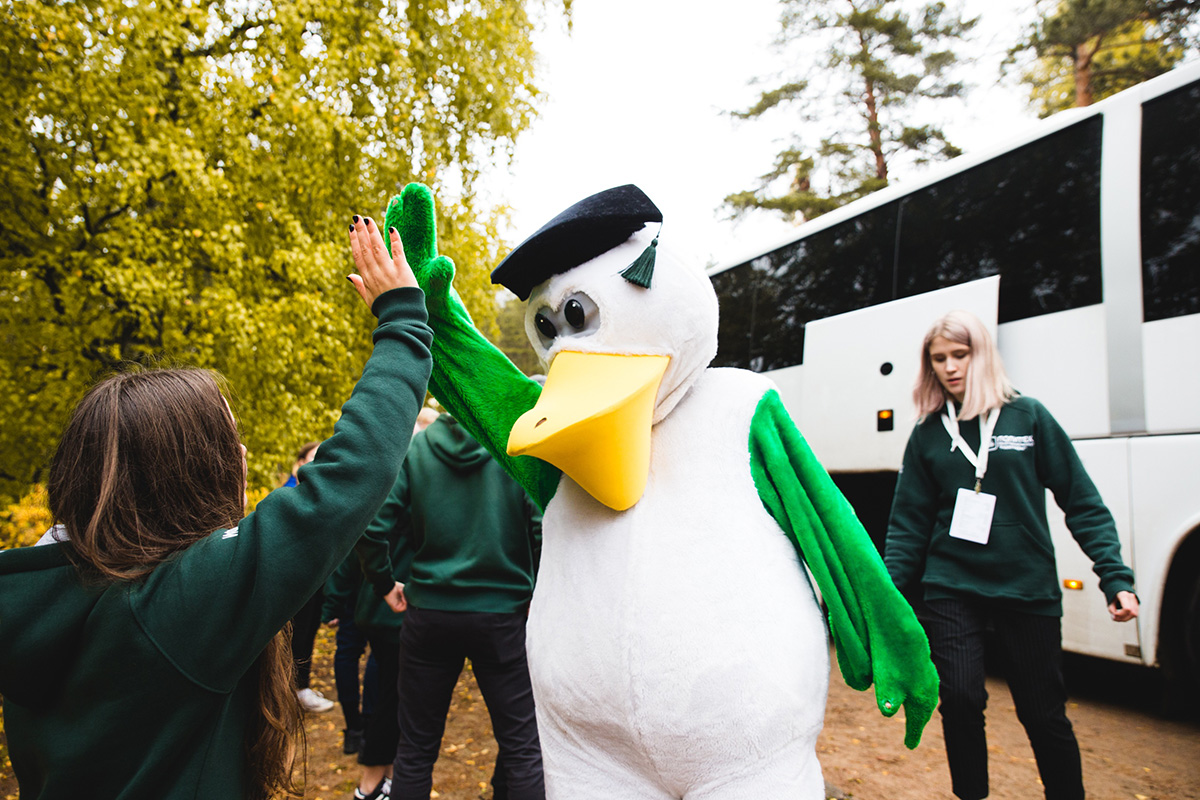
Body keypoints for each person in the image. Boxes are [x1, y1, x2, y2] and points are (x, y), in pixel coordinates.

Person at [0, 215, 431, 798]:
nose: (244, 453)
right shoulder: (174, 606)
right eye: (228, 445)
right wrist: (404, 319)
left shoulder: (37, 593)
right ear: (182, 475)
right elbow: (346, 480)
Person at [884, 309, 1139, 800]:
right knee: (959, 699)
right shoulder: (928, 435)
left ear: (981, 356)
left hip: (1026, 586)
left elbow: (1082, 502)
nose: (951, 367)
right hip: (952, 585)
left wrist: (1116, 577)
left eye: (960, 354)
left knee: (1042, 712)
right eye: (939, 359)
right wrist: (890, 595)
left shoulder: (1030, 417)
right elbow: (908, 525)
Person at [357, 414, 544, 800]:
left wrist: (383, 582)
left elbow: (372, 526)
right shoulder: (513, 449)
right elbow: (542, 528)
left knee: (415, 749)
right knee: (522, 747)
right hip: (502, 617)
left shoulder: (418, 447)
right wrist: (538, 596)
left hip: (430, 615)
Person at [285, 441, 338, 713]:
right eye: (312, 458)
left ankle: (299, 688)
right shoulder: (289, 494)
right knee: (297, 637)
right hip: (295, 583)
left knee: (308, 636)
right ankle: (294, 691)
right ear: (299, 464)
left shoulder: (320, 493)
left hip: (315, 580)